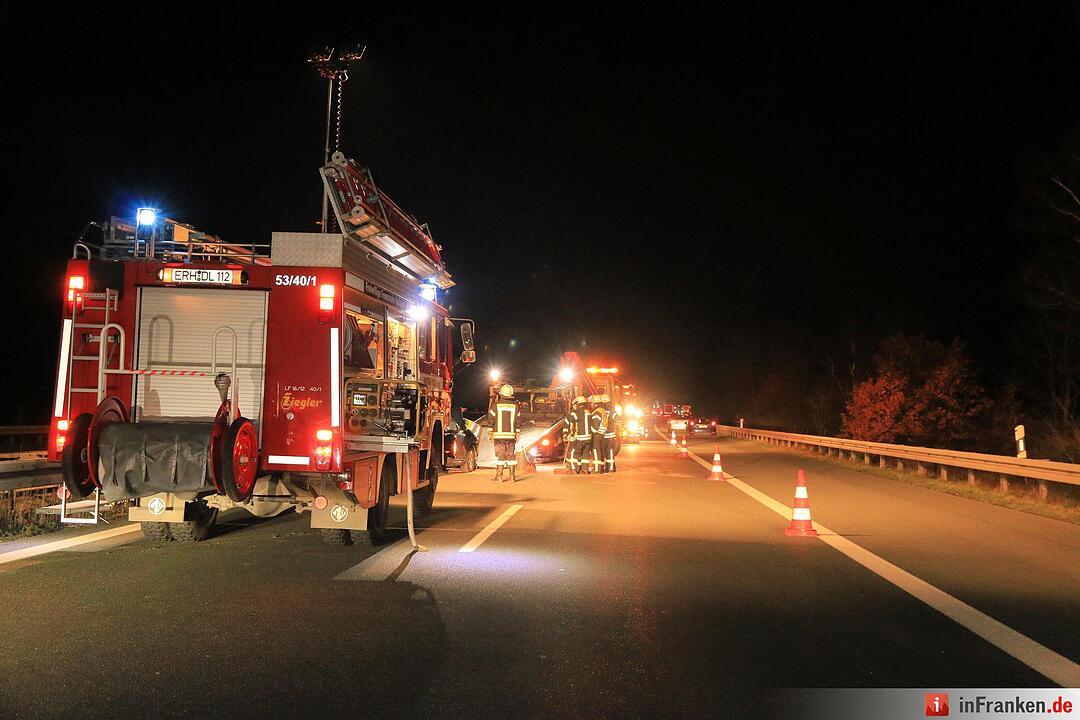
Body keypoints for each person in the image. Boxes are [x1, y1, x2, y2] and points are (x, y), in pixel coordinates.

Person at [488, 383, 520, 481]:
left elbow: (490, 419)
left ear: (501, 394)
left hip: (498, 435)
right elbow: (518, 421)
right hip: (511, 436)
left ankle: (500, 477)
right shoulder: (515, 406)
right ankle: (512, 477)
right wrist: (518, 432)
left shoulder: (496, 405)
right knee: (511, 455)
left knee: (500, 455)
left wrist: (490, 432)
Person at [567, 395, 591, 474]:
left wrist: (572, 412)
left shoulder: (578, 412)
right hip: (588, 437)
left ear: (578, 404)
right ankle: (584, 469)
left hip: (580, 437)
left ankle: (574, 468)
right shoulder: (588, 412)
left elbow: (571, 419)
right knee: (585, 453)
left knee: (574, 452)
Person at [589, 394, 607, 473]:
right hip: (601, 434)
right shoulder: (602, 410)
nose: (591, 405)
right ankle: (600, 468)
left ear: (594, 403)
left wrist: (589, 431)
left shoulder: (596, 413)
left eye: (591, 403)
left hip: (597, 435)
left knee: (596, 451)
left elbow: (595, 428)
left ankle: (597, 469)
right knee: (600, 451)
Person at [601, 394, 618, 473]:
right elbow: (616, 420)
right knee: (610, 451)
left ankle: (608, 467)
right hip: (611, 433)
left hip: (603, 434)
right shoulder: (612, 410)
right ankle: (611, 467)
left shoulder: (601, 410)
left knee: (605, 452)